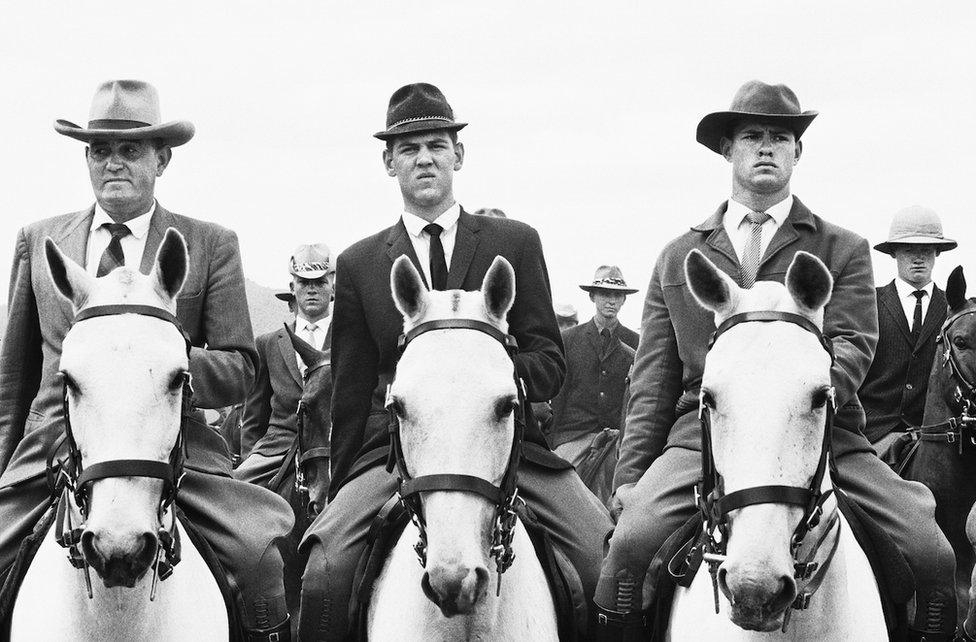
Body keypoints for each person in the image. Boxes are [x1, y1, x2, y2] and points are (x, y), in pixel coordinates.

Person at [595, 80, 956, 641]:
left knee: (931, 554)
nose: (766, 147)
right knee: (629, 549)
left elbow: (854, 345)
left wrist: (790, 400)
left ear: (796, 153)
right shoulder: (678, 255)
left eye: (780, 137)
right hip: (703, 435)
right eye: (752, 136)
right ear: (728, 151)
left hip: (826, 432)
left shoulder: (843, 247)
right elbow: (652, 379)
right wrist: (631, 475)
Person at [297, 82, 613, 640]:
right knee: (325, 572)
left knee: (599, 557)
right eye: (410, 147)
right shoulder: (361, 263)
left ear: (458, 156)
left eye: (437, 145)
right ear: (388, 162)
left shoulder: (513, 242)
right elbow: (350, 390)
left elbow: (549, 362)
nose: (424, 158)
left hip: (508, 447)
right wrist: (343, 484)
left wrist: (489, 379)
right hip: (395, 454)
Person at [0, 80, 294, 641]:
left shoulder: (209, 244)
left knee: (259, 564)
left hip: (174, 450)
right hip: (53, 451)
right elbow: (13, 383)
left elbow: (241, 367)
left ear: (162, 159)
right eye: (100, 150)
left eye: (130, 150)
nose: (113, 163)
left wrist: (161, 366)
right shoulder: (37, 241)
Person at [858, 206, 955, 461]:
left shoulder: (954, 311)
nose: (918, 258)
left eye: (926, 249)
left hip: (935, 439)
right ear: (894, 253)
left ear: (937, 253)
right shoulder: (868, 303)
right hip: (871, 436)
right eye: (909, 249)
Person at [236, 243, 334, 488]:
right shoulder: (267, 343)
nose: (311, 290)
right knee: (235, 492)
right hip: (278, 446)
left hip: (332, 445)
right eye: (303, 283)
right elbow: (254, 415)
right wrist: (250, 456)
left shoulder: (351, 339)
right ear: (293, 287)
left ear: (333, 288)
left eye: (320, 282)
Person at [549, 266, 638, 463]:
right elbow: (558, 396)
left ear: (624, 300)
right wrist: (552, 442)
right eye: (605, 294)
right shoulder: (567, 340)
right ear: (592, 296)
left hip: (619, 440)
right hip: (574, 436)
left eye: (617, 295)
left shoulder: (637, 343)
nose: (611, 301)